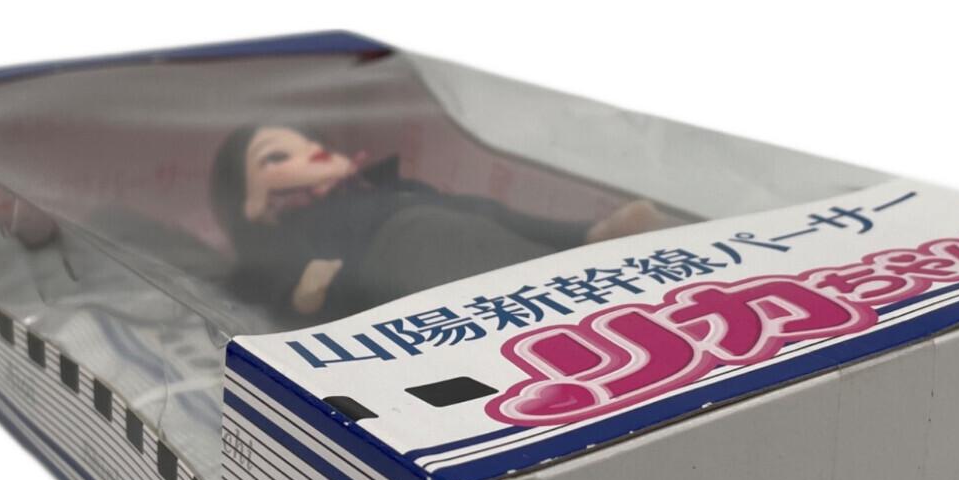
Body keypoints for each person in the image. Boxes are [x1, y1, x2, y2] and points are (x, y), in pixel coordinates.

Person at [210, 123, 674, 324]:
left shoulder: (386, 188)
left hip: (454, 228)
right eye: (277, 156)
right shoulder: (291, 231)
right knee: (518, 281)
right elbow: (252, 284)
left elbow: (491, 213)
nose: (311, 154)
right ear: (249, 203)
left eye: (313, 144)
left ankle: (590, 239)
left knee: (490, 221)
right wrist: (302, 292)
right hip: (405, 251)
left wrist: (581, 234)